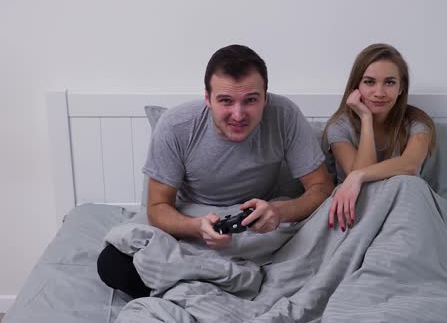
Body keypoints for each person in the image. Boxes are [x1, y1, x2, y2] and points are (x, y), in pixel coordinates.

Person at [97, 45, 335, 298]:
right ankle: (232, 280)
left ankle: (203, 283)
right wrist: (196, 227)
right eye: (225, 101)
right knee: (112, 263)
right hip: (191, 221)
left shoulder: (284, 114)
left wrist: (278, 212)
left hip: (257, 226)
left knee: (331, 245)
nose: (238, 114)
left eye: (251, 100)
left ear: (265, 97)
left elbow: (322, 188)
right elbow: (157, 206)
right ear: (208, 98)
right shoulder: (176, 126)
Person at [324, 43, 435, 232]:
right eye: (369, 82)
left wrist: (358, 176)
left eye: (390, 82)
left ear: (401, 88)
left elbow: (410, 164)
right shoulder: (338, 127)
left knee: (408, 184)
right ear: (356, 86)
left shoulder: (418, 123)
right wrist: (366, 119)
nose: (379, 93)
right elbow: (364, 186)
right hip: (357, 213)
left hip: (404, 211)